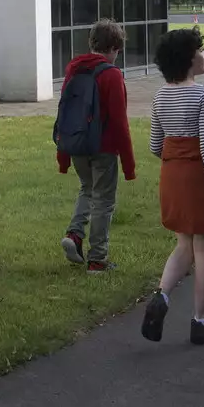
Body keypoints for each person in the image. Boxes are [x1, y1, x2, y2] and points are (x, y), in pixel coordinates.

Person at [139, 27, 204, 346]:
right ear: (190, 58)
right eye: (201, 51)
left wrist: (175, 156)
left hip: (172, 175)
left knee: (183, 244)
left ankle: (161, 297)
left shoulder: (161, 95)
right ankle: (200, 321)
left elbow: (154, 145)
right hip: (197, 178)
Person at [55, 20, 136, 273]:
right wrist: (129, 164)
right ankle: (97, 259)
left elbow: (64, 112)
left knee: (86, 189)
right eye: (118, 51)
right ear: (113, 48)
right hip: (104, 147)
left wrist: (63, 155)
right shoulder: (111, 75)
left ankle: (75, 234)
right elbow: (120, 123)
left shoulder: (74, 70)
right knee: (104, 201)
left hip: (77, 144)